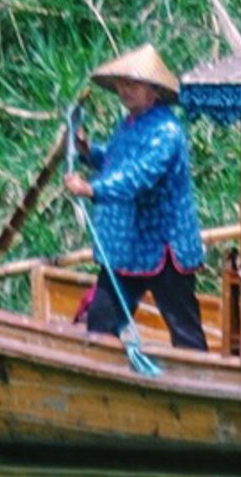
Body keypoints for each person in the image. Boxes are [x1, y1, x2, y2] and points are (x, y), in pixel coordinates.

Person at [66, 46, 208, 350]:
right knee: (100, 325)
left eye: (133, 84)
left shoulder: (166, 132)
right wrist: (89, 151)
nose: (124, 90)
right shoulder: (129, 124)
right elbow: (117, 161)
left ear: (154, 91)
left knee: (185, 333)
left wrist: (92, 190)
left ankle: (198, 385)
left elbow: (138, 176)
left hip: (164, 249)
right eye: (122, 84)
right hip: (128, 247)